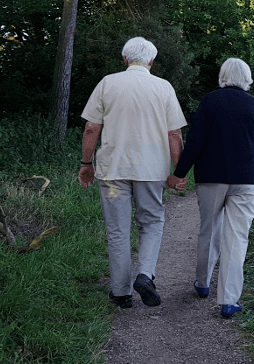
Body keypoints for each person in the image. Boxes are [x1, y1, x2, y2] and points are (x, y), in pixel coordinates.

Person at [78, 36, 188, 309]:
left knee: (117, 230)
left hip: (113, 170)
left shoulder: (107, 83)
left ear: (125, 59)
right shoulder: (163, 87)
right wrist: (178, 171)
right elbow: (174, 134)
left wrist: (86, 163)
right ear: (151, 61)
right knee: (151, 223)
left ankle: (121, 292)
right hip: (152, 171)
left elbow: (92, 128)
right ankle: (145, 275)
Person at [167, 57, 254, 319]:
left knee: (209, 230)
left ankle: (202, 284)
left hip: (211, 177)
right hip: (247, 179)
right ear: (247, 78)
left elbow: (195, 141)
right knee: (237, 239)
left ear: (223, 75)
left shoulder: (210, 101)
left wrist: (179, 174)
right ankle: (229, 300)